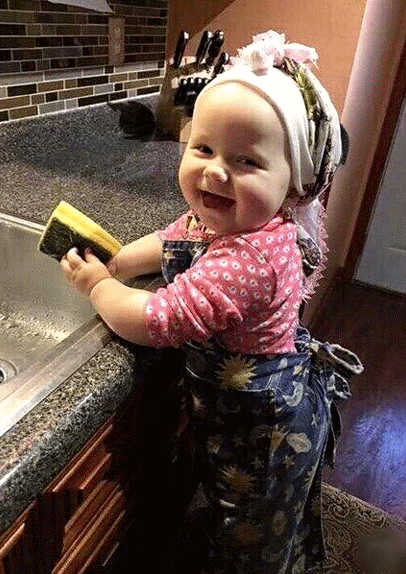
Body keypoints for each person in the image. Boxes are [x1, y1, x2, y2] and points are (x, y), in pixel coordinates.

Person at [60, 30, 363, 574]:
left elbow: (157, 319)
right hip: (238, 418)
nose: (216, 171)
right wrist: (122, 261)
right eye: (204, 149)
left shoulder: (249, 258)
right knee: (237, 513)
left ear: (294, 186)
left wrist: (99, 286)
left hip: (263, 436)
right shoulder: (226, 217)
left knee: (254, 538)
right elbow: (176, 236)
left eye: (247, 161)